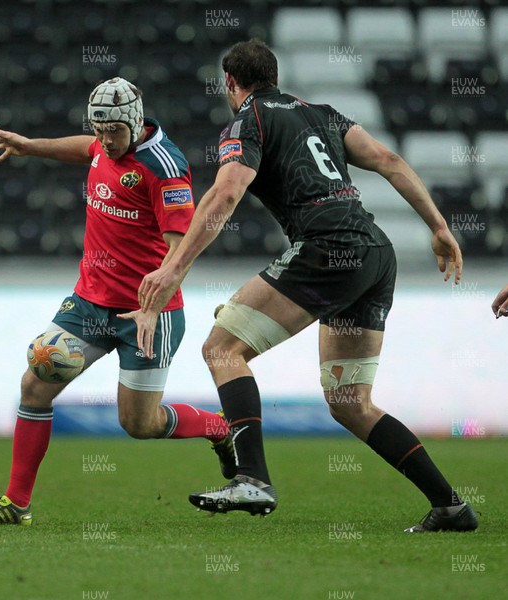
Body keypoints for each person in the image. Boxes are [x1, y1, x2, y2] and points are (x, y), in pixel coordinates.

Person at [135, 40, 478, 532]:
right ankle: (450, 506)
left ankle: (251, 477)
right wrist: (440, 227)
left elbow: (226, 192)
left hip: (327, 248)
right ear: (274, 75)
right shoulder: (323, 113)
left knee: (222, 347)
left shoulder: (246, 120)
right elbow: (390, 161)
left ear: (231, 84)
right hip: (375, 253)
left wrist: (173, 270)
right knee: (349, 402)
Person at [0, 77, 235, 526]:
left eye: (114, 132)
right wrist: (32, 146)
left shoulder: (164, 167)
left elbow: (178, 251)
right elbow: (85, 148)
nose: (106, 141)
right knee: (34, 385)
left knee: (139, 424)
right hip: (89, 302)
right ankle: (16, 504)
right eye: (99, 130)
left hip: (148, 313)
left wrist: (151, 306)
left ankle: (220, 428)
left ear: (135, 122)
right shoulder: (103, 145)